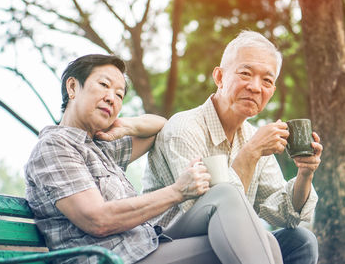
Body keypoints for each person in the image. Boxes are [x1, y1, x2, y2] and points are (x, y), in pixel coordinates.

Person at [25, 54, 284, 264]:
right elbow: (98, 220)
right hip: (113, 258)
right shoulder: (55, 146)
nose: (111, 98)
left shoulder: (101, 147)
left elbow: (161, 126)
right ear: (73, 87)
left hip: (146, 246)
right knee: (243, 242)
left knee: (229, 198)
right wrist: (177, 191)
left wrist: (126, 125)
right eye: (104, 85)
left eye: (119, 95)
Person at [143, 31, 323, 264]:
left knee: (301, 240)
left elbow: (284, 215)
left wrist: (305, 174)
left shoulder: (251, 135)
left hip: (228, 242)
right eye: (245, 74)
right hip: (168, 244)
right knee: (227, 199)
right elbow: (207, 213)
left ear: (272, 91)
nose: (256, 87)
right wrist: (251, 152)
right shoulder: (185, 127)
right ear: (219, 77)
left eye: (267, 80)